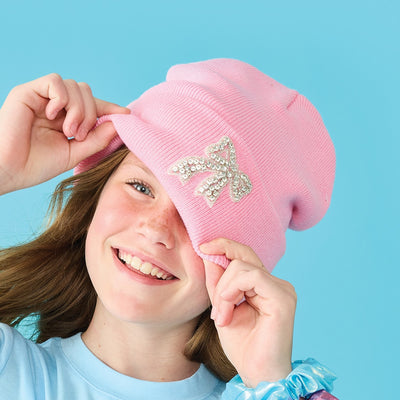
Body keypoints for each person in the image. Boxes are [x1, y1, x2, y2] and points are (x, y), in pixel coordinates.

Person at [0, 58, 338, 400]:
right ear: (96, 196)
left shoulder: (274, 391)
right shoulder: (10, 369)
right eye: (141, 187)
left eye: (197, 220)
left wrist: (270, 382)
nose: (156, 230)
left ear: (239, 271)